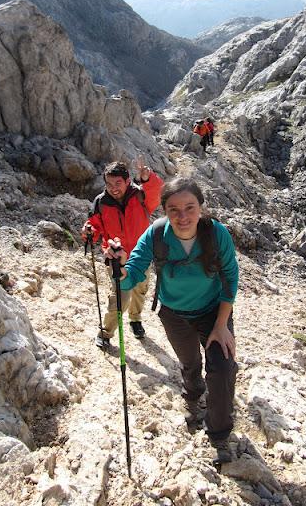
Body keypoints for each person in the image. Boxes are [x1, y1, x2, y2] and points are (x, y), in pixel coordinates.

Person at [109, 177, 239, 464]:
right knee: (190, 363)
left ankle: (219, 434)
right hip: (174, 314)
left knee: (223, 366)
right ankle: (193, 396)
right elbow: (133, 273)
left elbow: (231, 277)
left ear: (201, 208)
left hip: (213, 312)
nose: (183, 217)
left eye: (190, 208)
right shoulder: (156, 235)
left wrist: (221, 325)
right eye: (173, 210)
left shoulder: (217, 234)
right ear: (164, 211)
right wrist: (119, 270)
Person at [82, 159, 163, 349]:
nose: (113, 188)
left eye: (118, 183)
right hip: (116, 256)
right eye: (109, 184)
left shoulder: (140, 196)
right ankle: (106, 332)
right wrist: (88, 231)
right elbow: (94, 226)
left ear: (128, 181)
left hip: (142, 255)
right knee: (120, 297)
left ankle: (135, 320)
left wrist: (147, 178)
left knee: (140, 291)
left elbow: (158, 193)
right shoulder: (101, 202)